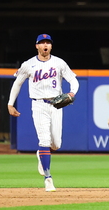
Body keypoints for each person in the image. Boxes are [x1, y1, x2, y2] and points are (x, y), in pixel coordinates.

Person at [7, 34, 79, 192]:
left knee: (56, 144)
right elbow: (17, 83)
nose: (45, 45)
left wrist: (72, 92)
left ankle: (41, 154)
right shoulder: (29, 64)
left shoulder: (59, 63)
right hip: (38, 104)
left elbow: (73, 80)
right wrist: (10, 103)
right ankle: (48, 178)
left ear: (51, 46)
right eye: (42, 43)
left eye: (48, 43)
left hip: (56, 104)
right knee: (45, 140)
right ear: (37, 46)